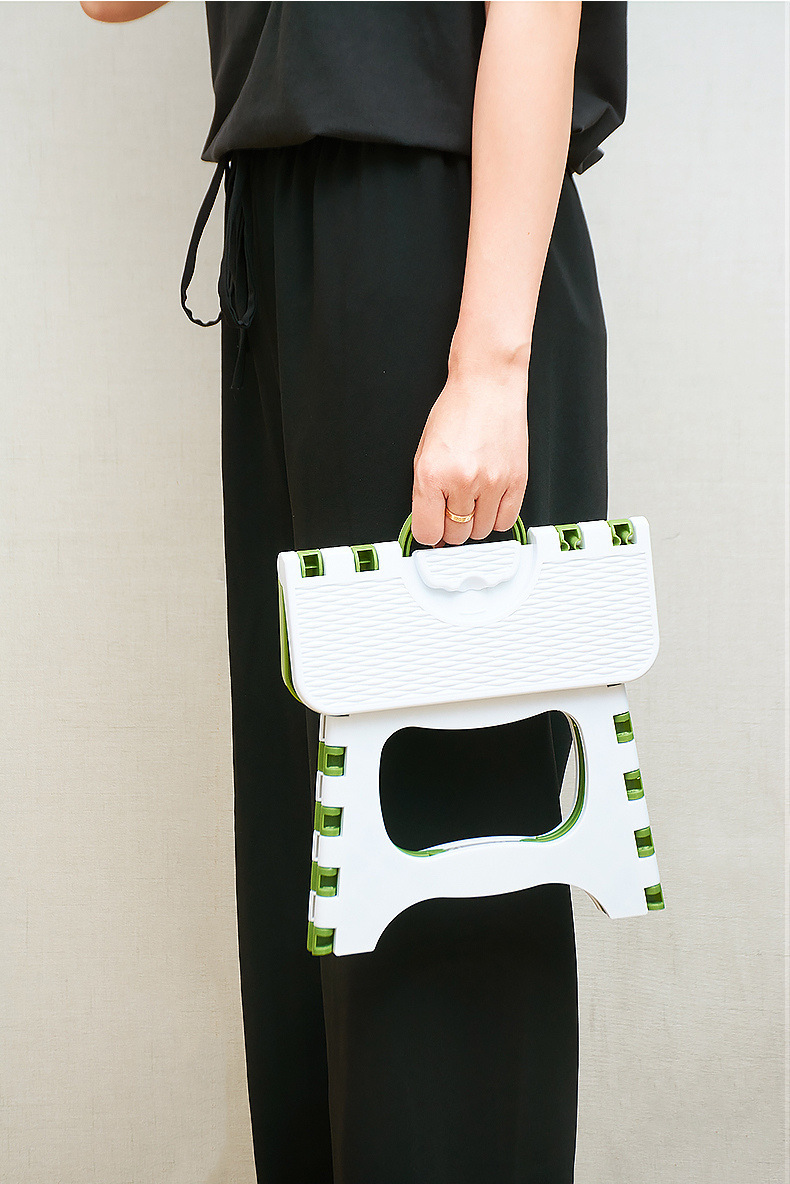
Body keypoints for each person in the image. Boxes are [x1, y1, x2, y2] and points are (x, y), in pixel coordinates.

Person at [80, 3, 627, 1181]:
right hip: (280, 232)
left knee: (440, 839)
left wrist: (490, 366)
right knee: (318, 855)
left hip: (437, 235)